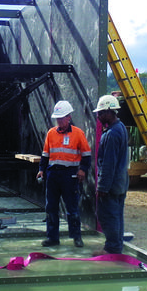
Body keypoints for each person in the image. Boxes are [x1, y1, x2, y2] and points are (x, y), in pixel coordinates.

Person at [36, 100, 92, 247]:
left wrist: (82, 170)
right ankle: (52, 238)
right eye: (58, 118)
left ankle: (76, 237)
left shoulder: (78, 134)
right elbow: (45, 154)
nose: (59, 121)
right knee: (51, 207)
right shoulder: (51, 133)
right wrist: (41, 170)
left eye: (62, 118)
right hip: (53, 175)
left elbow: (86, 155)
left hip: (70, 175)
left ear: (69, 117)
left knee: (72, 207)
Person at [92, 94, 129, 255]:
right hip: (120, 183)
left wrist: (102, 187)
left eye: (100, 113)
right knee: (117, 216)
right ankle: (116, 246)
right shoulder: (120, 128)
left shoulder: (112, 134)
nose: (98, 116)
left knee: (108, 216)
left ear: (109, 111)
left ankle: (112, 249)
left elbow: (108, 164)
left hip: (111, 185)